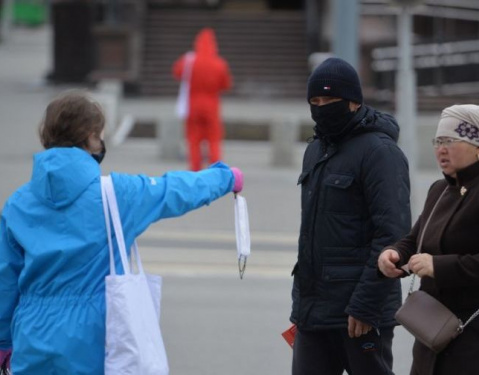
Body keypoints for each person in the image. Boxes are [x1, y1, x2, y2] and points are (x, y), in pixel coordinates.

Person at [0, 91, 244, 374]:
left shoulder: (17, 204)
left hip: (32, 333)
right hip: (95, 336)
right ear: (91, 137)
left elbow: (6, 278)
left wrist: (4, 341)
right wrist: (225, 177)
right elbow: (174, 190)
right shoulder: (116, 194)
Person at [290, 57, 411, 375]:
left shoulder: (380, 153)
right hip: (314, 313)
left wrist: (366, 306)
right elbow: (311, 235)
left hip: (361, 316)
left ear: (354, 102)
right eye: (314, 101)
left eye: (329, 100)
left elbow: (392, 235)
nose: (320, 107)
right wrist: (301, 305)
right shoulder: (316, 149)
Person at [378, 104, 479, 375]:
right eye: (438, 141)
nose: (441, 149)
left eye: (451, 141)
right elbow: (415, 240)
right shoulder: (440, 189)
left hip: (478, 337)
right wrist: (394, 255)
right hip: (432, 334)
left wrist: (439, 267)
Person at [172, 28, 232, 171]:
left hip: (193, 105)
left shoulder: (189, 61)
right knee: (214, 138)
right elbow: (226, 84)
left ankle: (195, 168)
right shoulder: (219, 63)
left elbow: (177, 72)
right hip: (211, 104)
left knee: (193, 138)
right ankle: (216, 169)